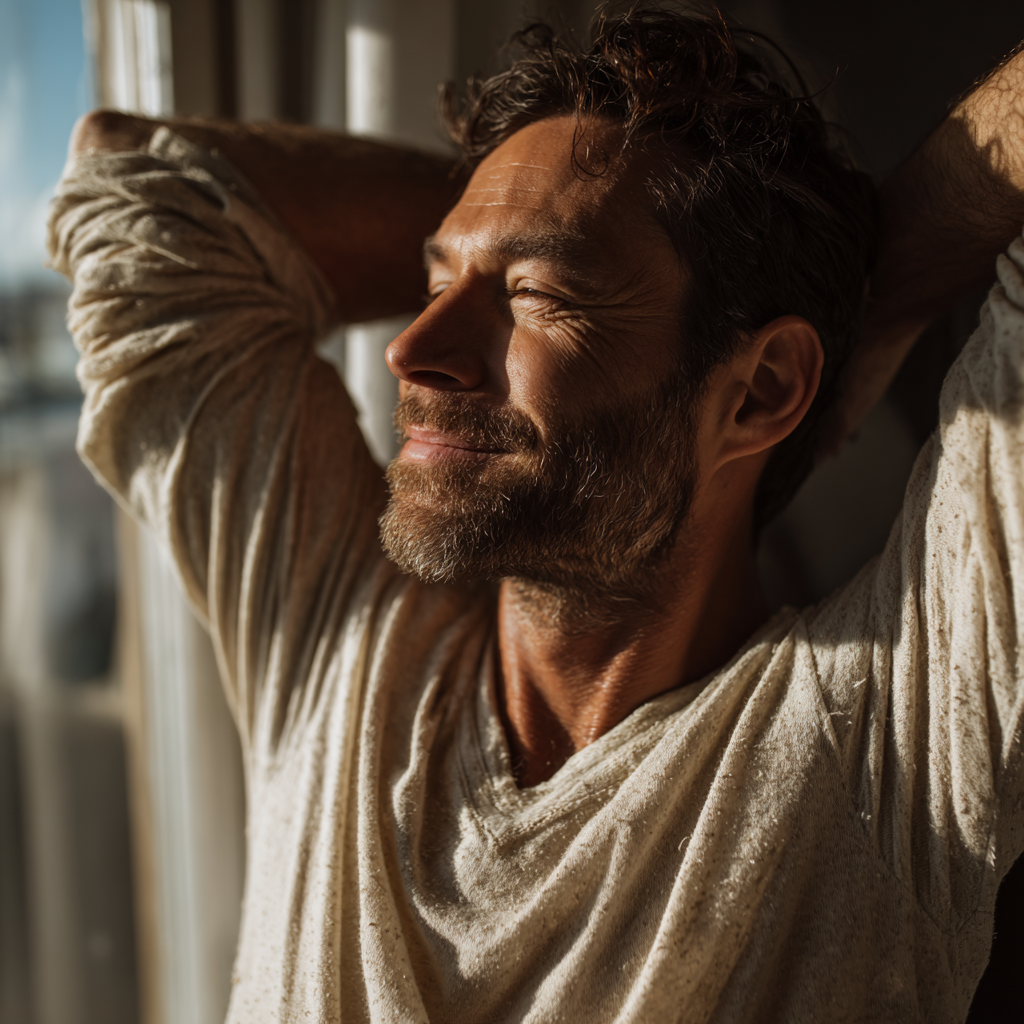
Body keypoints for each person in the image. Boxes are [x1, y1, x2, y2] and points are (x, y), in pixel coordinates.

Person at [48, 6, 1024, 1022]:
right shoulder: (341, 644)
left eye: (535, 295)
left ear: (761, 388)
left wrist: (872, 296)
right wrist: (546, 203)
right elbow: (129, 171)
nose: (411, 347)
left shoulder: (886, 746)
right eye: (434, 278)